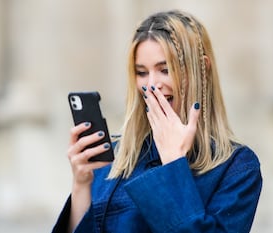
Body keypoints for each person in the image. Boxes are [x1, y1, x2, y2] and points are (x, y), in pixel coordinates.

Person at [52, 9, 262, 233]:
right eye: (141, 72)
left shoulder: (237, 167)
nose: (152, 84)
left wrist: (173, 163)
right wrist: (81, 185)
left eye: (165, 69)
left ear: (202, 70)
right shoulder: (114, 160)